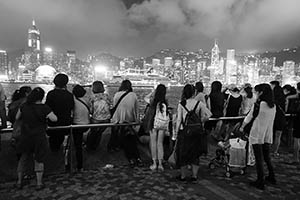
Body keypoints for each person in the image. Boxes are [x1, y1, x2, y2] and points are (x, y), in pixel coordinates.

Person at [15, 87, 57, 190]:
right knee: (39, 158)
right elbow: (54, 119)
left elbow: (17, 118)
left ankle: (19, 181)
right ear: (42, 97)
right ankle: (39, 183)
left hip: (25, 136)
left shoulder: (24, 106)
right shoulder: (44, 108)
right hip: (39, 136)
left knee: (23, 158)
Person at [240, 83, 276, 190]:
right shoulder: (273, 106)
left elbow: (249, 117)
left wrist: (242, 127)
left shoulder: (259, 104)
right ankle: (271, 176)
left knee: (259, 158)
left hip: (257, 134)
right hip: (267, 134)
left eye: (256, 92)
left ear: (261, 93)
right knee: (266, 157)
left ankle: (260, 181)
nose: (255, 94)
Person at [173, 84, 211, 182]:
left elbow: (179, 120)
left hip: (185, 132)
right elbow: (209, 114)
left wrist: (176, 133)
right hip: (197, 133)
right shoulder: (199, 103)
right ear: (194, 93)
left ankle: (183, 176)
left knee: (183, 154)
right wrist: (201, 120)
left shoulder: (182, 104)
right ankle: (194, 176)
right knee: (195, 154)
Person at [111, 80, 142, 167]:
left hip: (118, 120)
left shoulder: (117, 94)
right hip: (129, 119)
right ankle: (137, 158)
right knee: (131, 139)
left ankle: (131, 158)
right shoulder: (133, 95)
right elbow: (136, 110)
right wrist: (136, 121)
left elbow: (114, 107)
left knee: (126, 139)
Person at [46, 74, 74, 152]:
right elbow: (71, 107)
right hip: (65, 123)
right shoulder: (69, 95)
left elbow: (47, 108)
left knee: (53, 145)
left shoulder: (51, 94)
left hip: (53, 124)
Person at [144, 84, 168, 171]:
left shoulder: (152, 101)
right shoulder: (165, 102)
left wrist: (153, 92)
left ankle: (154, 163)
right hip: (162, 124)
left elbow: (145, 98)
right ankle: (161, 164)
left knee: (153, 143)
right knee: (160, 143)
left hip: (153, 124)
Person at [86, 81, 112, 151]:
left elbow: (91, 111)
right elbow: (109, 106)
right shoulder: (107, 96)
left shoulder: (92, 97)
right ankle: (95, 145)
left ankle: (89, 146)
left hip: (96, 120)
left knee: (93, 131)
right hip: (107, 120)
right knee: (99, 132)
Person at [72, 85, 90, 172]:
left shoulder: (73, 101)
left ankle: (79, 166)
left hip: (77, 125)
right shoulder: (87, 100)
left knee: (77, 146)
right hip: (87, 124)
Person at [270, 81, 286, 156]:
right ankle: (275, 151)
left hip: (273, 118)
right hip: (281, 118)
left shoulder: (272, 100)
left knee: (270, 135)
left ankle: (268, 150)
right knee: (278, 136)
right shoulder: (283, 98)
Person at [286, 82, 300, 164]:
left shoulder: (297, 96)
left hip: (298, 119)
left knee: (297, 139)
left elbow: (289, 97)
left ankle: (295, 158)